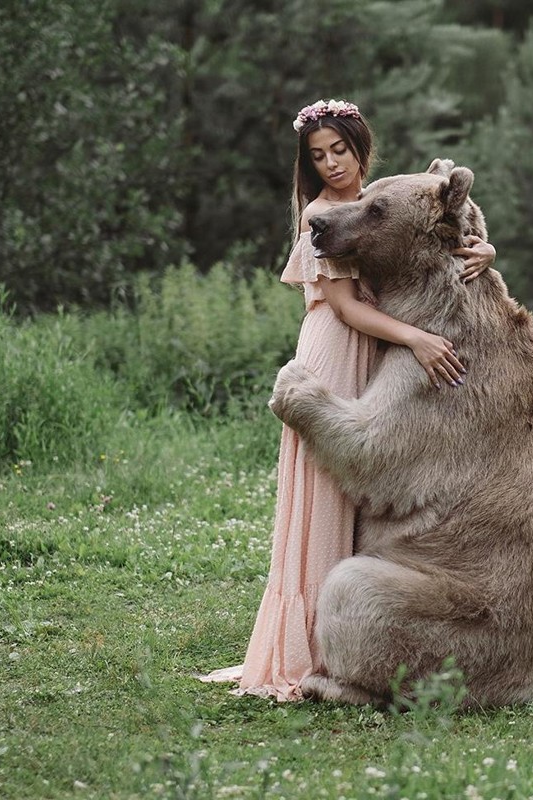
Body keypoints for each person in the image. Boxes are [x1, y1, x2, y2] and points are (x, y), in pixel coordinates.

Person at [199, 99, 495, 700]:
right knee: (320, 495)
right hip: (340, 343)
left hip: (375, 349)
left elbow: (433, 219)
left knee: (348, 504)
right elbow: (345, 306)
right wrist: (417, 338)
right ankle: (299, 644)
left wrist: (485, 249)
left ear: (362, 149)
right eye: (318, 156)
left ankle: (330, 639)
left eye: (340, 150)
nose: (332, 164)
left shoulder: (378, 198)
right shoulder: (320, 215)